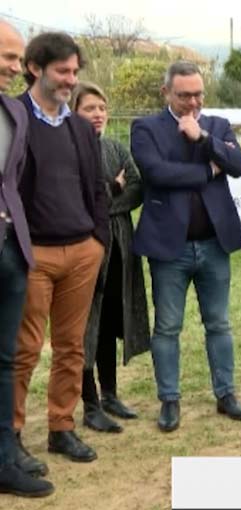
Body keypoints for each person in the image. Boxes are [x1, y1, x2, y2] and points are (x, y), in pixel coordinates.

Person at [131, 61, 241, 432]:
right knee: (168, 327)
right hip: (170, 248)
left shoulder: (216, 126)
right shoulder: (146, 128)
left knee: (219, 323)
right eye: (184, 95)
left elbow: (239, 164)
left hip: (214, 244)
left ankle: (226, 394)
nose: (193, 101)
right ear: (166, 93)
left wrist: (203, 139)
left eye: (198, 93)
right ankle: (169, 399)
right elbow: (157, 173)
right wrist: (206, 171)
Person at [14, 32, 108, 467]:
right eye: (62, 71)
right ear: (35, 68)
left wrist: (98, 242)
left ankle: (61, 428)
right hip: (31, 254)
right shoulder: (12, 119)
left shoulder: (78, 128)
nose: (71, 79)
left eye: (75, 71)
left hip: (81, 252)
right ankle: (9, 435)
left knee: (71, 347)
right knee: (24, 348)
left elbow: (96, 189)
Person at [72, 82, 150, 433]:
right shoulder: (69, 149)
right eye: (90, 108)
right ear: (74, 112)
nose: (98, 114)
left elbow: (136, 188)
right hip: (85, 248)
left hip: (119, 245)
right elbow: (74, 199)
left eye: (102, 108)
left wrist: (104, 199)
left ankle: (110, 394)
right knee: (86, 326)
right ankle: (89, 404)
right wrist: (111, 188)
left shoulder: (116, 147)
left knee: (110, 322)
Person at [0, 20, 54, 497]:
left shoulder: (12, 114)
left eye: (19, 60)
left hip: (10, 251)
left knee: (6, 358)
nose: (17, 69)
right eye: (9, 58)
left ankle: (4, 455)